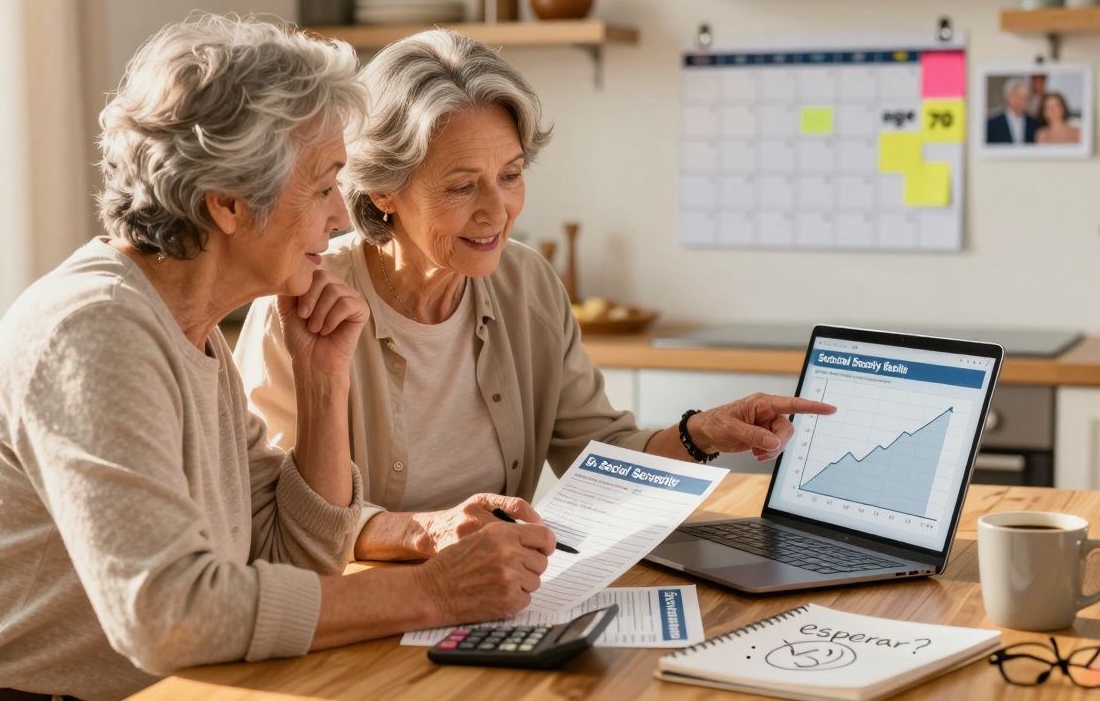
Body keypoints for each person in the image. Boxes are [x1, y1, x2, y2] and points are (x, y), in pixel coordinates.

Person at [0, 16, 552, 701]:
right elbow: (171, 616)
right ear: (230, 203)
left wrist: (323, 383)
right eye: (325, 185)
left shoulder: (190, 330)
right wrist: (433, 592)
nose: (340, 218)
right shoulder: (95, 333)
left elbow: (292, 553)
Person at [233, 29, 835, 563]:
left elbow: (597, 452)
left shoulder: (527, 284)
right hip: (360, 607)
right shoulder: (301, 305)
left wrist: (701, 431)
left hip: (499, 592)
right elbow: (283, 513)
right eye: (463, 185)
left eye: (512, 175)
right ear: (385, 189)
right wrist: (427, 532)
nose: (497, 211)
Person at [985, 77, 1042, 144]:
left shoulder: (1034, 124)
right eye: (1019, 96)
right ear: (1008, 97)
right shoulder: (992, 124)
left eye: (1026, 97)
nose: (1023, 101)